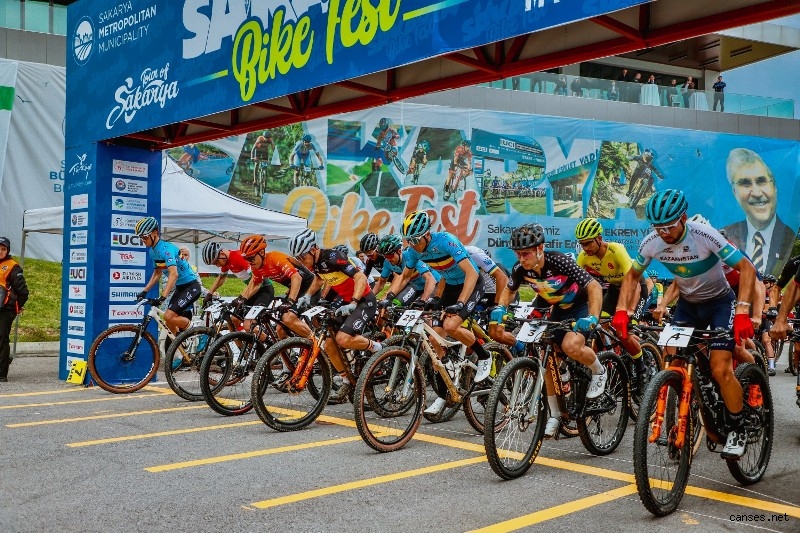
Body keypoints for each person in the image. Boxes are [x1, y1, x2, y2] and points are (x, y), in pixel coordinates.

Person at [614, 189, 757, 458]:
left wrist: (742, 311)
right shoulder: (651, 242)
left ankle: (738, 428)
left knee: (720, 368)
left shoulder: (705, 235)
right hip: (688, 306)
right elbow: (632, 276)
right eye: (658, 228)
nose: (663, 233)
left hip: (720, 303)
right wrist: (622, 311)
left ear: (683, 218)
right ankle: (684, 413)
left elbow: (747, 269)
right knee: (672, 358)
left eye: (669, 226)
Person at [492, 223, 607, 438]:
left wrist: (592, 317)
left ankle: (599, 370)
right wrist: (500, 308)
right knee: (545, 356)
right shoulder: (520, 269)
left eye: (526, 253)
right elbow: (509, 290)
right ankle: (555, 414)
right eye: (518, 254)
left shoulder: (559, 261)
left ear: (540, 249)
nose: (521, 258)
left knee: (570, 345)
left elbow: (594, 286)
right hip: (558, 309)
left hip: (581, 307)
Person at [383, 211, 495, 407]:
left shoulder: (446, 241)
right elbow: (404, 276)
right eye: (408, 240)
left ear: (427, 234)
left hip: (470, 284)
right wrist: (389, 297)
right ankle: (445, 394)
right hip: (450, 286)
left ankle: (485, 356)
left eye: (415, 240)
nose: (412, 244)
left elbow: (471, 273)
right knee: (434, 339)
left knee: (451, 325)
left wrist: (461, 303)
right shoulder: (413, 251)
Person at [289, 228, 383, 398]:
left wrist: (354, 302)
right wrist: (307, 295)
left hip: (363, 300)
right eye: (298, 258)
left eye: (302, 257)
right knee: (329, 344)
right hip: (346, 301)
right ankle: (347, 380)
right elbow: (319, 278)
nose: (301, 261)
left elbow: (360, 277)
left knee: (342, 339)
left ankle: (378, 349)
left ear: (313, 249)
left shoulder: (334, 257)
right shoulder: (316, 263)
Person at [574, 218, 649, 391]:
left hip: (635, 288)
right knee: (599, 324)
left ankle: (641, 367)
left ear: (599, 238)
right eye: (582, 244)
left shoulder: (616, 250)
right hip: (614, 290)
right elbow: (576, 285)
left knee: (624, 332)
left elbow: (634, 282)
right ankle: (613, 357)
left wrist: (630, 311)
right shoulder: (584, 257)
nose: (585, 248)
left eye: (588, 243)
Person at [721, 148, 795, 277]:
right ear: (734, 192)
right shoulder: (723, 237)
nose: (756, 193)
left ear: (774, 186)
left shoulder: (792, 238)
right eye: (745, 183)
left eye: (761, 181)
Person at [135, 217, 203, 341]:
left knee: (169, 316)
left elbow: (174, 274)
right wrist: (144, 291)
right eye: (141, 238)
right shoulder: (153, 252)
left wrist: (163, 296)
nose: (143, 240)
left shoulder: (166, 249)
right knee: (169, 320)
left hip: (191, 286)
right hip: (180, 287)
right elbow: (157, 273)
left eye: (144, 237)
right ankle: (178, 346)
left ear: (154, 233)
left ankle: (198, 331)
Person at [201, 241, 274, 311]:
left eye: (216, 262)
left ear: (222, 254)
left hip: (264, 289)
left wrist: (241, 297)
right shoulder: (226, 262)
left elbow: (255, 278)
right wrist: (209, 294)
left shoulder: (238, 257)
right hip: (252, 291)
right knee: (235, 317)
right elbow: (221, 278)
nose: (217, 265)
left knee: (251, 318)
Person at [0, 237, 28, 382]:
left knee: (1, 339)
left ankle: (1, 373)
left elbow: (23, 292)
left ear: (8, 251)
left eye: (3, 249)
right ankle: (5, 358)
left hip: (6, 310)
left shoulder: (13, 267)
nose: (0, 251)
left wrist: (15, 307)